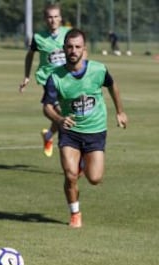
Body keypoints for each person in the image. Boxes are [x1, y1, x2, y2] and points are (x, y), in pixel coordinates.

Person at [42, 28, 128, 228]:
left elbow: (112, 85)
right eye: (70, 47)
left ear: (84, 49)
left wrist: (120, 111)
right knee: (70, 175)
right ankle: (75, 213)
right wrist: (59, 119)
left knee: (95, 178)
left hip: (95, 130)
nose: (73, 50)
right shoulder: (55, 77)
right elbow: (47, 106)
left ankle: (82, 165)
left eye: (77, 47)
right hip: (70, 132)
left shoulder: (98, 70)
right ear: (64, 49)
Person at [19, 3, 70, 157]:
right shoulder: (38, 37)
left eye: (56, 17)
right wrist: (27, 76)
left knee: (64, 114)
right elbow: (30, 55)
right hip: (49, 80)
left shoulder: (69, 33)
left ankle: (48, 136)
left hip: (67, 80)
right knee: (60, 112)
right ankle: (69, 147)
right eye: (49, 17)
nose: (53, 20)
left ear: (60, 18)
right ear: (45, 19)